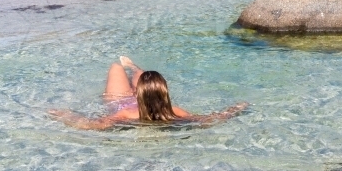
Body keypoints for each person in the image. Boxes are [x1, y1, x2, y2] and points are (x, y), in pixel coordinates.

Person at [49, 56, 247, 130]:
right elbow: (207, 120)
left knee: (116, 67)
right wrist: (233, 110)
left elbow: (94, 125)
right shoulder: (175, 112)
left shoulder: (126, 114)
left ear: (139, 95)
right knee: (144, 75)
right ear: (165, 93)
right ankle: (135, 68)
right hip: (137, 97)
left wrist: (64, 115)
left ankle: (132, 69)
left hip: (120, 100)